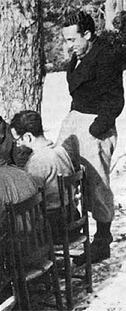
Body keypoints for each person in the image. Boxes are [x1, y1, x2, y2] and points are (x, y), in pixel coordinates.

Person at [58, 11, 124, 264]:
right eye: (65, 40)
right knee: (62, 174)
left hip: (95, 125)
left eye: (72, 39)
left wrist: (97, 129)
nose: (68, 45)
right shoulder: (78, 56)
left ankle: (102, 241)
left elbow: (115, 99)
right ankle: (73, 230)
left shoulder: (104, 56)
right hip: (75, 119)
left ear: (87, 34)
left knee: (97, 183)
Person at [10, 110, 80, 243]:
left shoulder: (37, 161)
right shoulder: (61, 150)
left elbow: (30, 198)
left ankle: (37, 261)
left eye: (17, 140)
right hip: (73, 217)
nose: (17, 145)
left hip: (54, 228)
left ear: (28, 137)